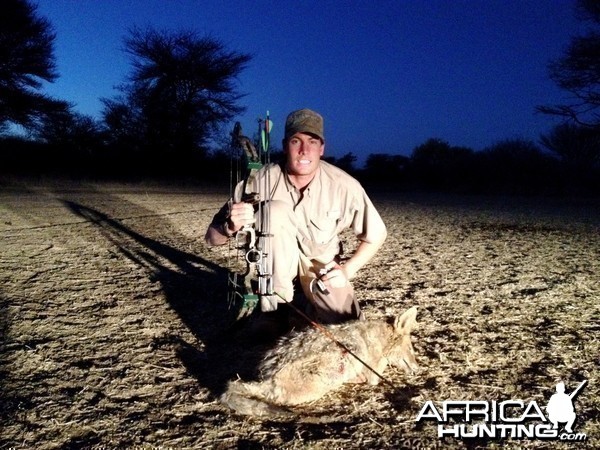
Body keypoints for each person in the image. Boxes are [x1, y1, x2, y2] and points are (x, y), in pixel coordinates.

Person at [205, 108, 387, 328]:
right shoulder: (258, 180)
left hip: (321, 268)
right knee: (274, 210)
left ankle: (306, 303)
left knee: (348, 324)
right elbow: (211, 238)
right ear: (284, 146)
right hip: (276, 275)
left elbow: (376, 235)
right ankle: (275, 311)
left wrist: (347, 271)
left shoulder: (345, 185)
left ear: (322, 148)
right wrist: (230, 227)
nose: (304, 150)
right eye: (295, 141)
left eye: (312, 142)